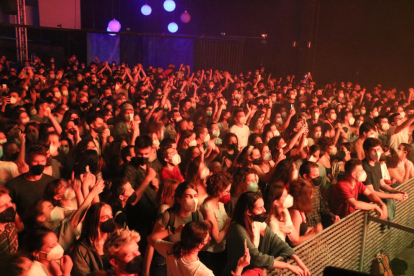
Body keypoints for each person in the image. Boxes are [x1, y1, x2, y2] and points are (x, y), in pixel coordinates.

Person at [223, 192, 310, 276]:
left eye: (263, 206)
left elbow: (276, 242)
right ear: (249, 212)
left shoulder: (257, 222)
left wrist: (301, 264)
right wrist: (289, 266)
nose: (264, 210)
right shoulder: (237, 228)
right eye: (259, 208)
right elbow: (255, 257)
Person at [144, 181, 203, 276]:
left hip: (183, 263)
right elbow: (151, 243)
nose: (194, 200)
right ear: (179, 199)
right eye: (188, 196)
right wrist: (145, 272)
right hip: (164, 263)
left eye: (195, 196)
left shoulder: (197, 216)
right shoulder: (168, 216)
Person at [6, 143, 55, 217]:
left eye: (42, 161)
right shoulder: (13, 185)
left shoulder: (51, 182)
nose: (39, 164)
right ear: (27, 161)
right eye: (35, 161)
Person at [199, 173, 231, 275]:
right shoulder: (207, 208)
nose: (228, 194)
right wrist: (229, 224)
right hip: (210, 254)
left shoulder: (220, 204)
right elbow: (217, 238)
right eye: (227, 191)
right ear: (219, 192)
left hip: (221, 250)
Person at [71, 202, 116, 276]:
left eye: (111, 215)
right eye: (105, 217)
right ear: (94, 221)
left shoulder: (115, 240)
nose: (111, 219)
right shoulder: (81, 250)